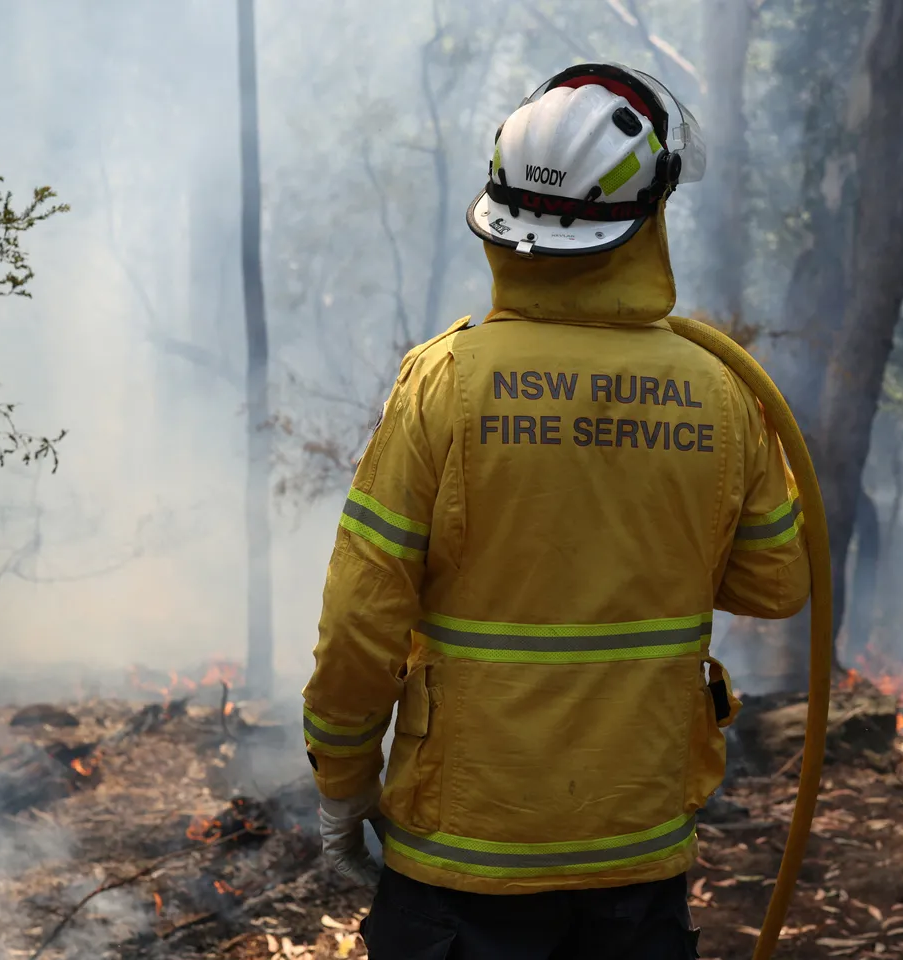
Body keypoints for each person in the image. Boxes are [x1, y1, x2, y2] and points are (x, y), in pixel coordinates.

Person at [301, 62, 810, 960]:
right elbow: (776, 583)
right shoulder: (724, 391)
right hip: (636, 851)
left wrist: (344, 788)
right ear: (648, 218)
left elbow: (359, 622)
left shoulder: (444, 383)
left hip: (464, 858)